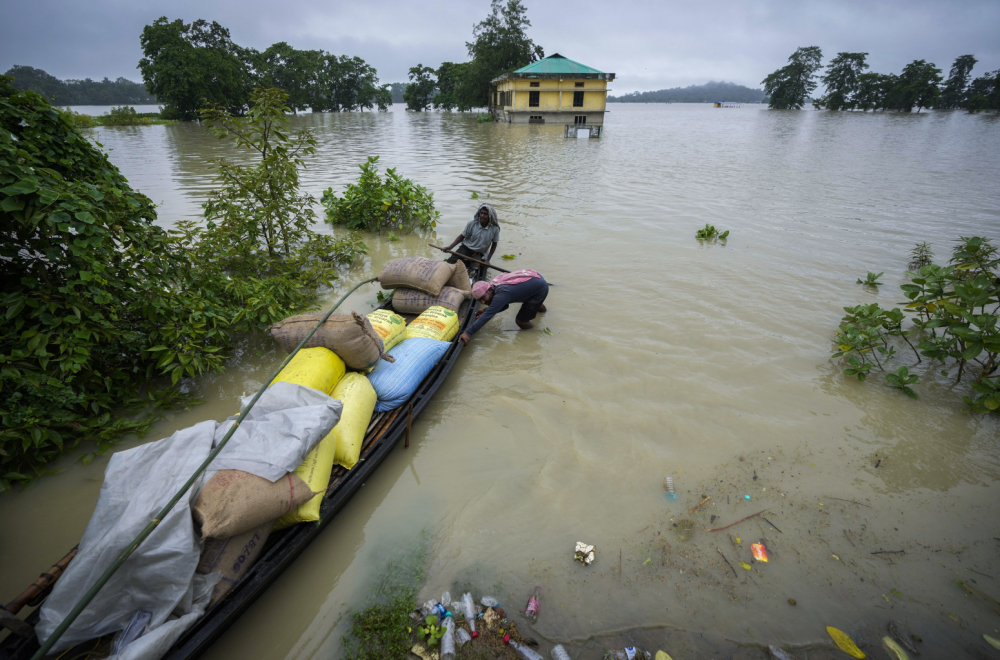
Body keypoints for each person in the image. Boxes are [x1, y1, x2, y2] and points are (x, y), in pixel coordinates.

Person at [458, 270, 549, 344]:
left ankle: (534, 333)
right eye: (480, 301)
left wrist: (468, 332)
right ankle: (542, 310)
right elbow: (504, 306)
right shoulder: (494, 286)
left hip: (539, 288)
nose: (483, 302)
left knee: (521, 321)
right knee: (534, 303)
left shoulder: (501, 295)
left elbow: (488, 316)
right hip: (535, 281)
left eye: (483, 298)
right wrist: (485, 310)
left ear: (489, 290)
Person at [443, 204, 499, 277]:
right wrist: (450, 247)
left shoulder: (495, 229)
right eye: (481, 213)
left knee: (474, 269)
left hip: (479, 252)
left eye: (485, 214)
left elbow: (494, 244)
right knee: (450, 262)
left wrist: (488, 260)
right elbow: (462, 236)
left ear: (490, 216)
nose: (482, 216)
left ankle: (469, 280)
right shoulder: (472, 223)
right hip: (466, 248)